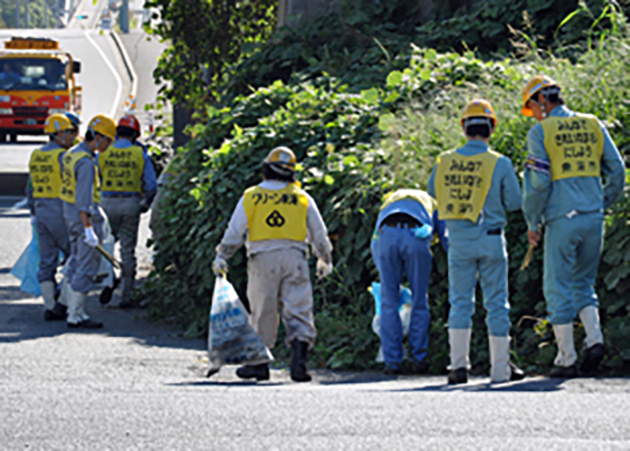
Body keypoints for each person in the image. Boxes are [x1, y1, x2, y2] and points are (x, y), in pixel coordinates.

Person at [520, 75, 626, 377]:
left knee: (557, 285)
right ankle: (595, 340)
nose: (534, 113)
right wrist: (602, 202)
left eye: (532, 106)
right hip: (594, 218)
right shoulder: (593, 123)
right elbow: (616, 170)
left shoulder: (540, 132)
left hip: (561, 219)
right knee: (583, 282)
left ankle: (566, 358)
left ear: (542, 100)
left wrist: (533, 222)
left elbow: (538, 184)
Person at [212, 147, 333, 383]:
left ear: (265, 169)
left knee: (263, 309)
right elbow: (319, 233)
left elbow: (236, 230)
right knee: (298, 307)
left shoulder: (252, 195)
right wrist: (324, 258)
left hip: (261, 258)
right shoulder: (301, 197)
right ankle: (299, 363)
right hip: (295, 256)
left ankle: (259, 365)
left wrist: (223, 254)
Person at [428, 99, 525, 385]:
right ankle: (499, 370)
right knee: (497, 304)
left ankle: (458, 367)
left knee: (459, 303)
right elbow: (515, 202)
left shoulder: (445, 161)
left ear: (463, 127)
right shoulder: (500, 162)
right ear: (492, 127)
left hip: (458, 240)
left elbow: (433, 191)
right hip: (492, 239)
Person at [370, 189, 447, 374]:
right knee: (420, 299)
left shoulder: (388, 201)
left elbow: (374, 242)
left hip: (386, 235)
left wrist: (384, 272)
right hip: (416, 235)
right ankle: (418, 358)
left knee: (389, 300)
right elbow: (445, 237)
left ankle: (392, 362)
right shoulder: (432, 202)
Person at [60, 114, 117, 328]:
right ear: (99, 137)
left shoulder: (71, 154)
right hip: (83, 219)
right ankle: (76, 314)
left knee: (75, 261)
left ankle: (68, 306)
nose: (108, 145)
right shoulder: (85, 163)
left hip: (69, 215)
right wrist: (89, 229)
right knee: (85, 265)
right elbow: (83, 199)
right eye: (108, 140)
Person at [100, 115, 157, 307]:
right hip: (130, 205)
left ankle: (109, 279)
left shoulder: (104, 153)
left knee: (106, 246)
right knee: (127, 251)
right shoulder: (139, 154)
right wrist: (145, 203)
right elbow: (151, 185)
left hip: (106, 204)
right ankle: (126, 295)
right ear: (135, 135)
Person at [26, 114, 75, 321]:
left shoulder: (36, 155)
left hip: (40, 209)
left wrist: (33, 211)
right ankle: (63, 303)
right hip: (59, 209)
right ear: (60, 134)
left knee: (47, 261)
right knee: (75, 255)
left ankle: (49, 305)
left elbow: (29, 187)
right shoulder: (63, 157)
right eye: (70, 132)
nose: (73, 136)